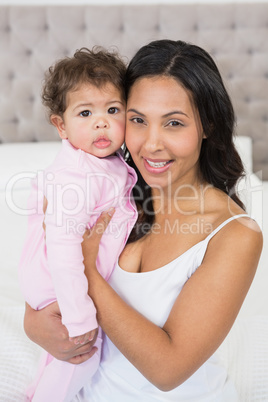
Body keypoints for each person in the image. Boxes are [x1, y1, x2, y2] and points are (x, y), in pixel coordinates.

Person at [23, 39, 263, 401]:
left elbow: (168, 370)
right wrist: (34, 325)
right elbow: (44, 284)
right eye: (137, 120)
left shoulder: (234, 234)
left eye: (174, 123)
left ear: (207, 125)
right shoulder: (109, 195)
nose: (151, 144)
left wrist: (86, 271)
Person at [18, 47, 137, 401]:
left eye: (112, 110)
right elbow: (63, 247)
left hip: (63, 278)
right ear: (61, 125)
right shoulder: (76, 174)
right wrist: (80, 315)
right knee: (81, 357)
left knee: (61, 361)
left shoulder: (107, 162)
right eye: (85, 112)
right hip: (57, 279)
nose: (101, 122)